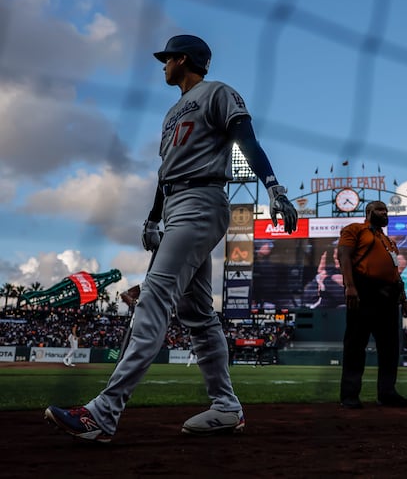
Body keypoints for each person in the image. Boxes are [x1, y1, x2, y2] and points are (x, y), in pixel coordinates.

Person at [44, 34, 297, 442]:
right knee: (197, 314)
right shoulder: (170, 113)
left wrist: (273, 188)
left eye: (168, 59)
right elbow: (166, 174)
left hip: (202, 200)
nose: (163, 65)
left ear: (184, 59)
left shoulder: (218, 92)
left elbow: (246, 139)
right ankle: (226, 407)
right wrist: (152, 217)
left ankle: (104, 414)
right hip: (177, 204)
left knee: (154, 299)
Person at [337, 201, 407, 409]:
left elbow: (396, 273)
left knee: (390, 348)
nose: (385, 213)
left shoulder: (389, 241)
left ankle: (387, 393)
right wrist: (350, 286)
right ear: (369, 212)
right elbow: (344, 255)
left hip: (389, 296)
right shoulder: (355, 229)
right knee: (355, 345)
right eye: (380, 210)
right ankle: (350, 396)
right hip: (363, 291)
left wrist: (403, 299)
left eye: (386, 211)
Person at [302, 240, 344, 309]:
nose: (335, 256)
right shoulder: (329, 271)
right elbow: (307, 294)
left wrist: (326, 281)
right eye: (335, 253)